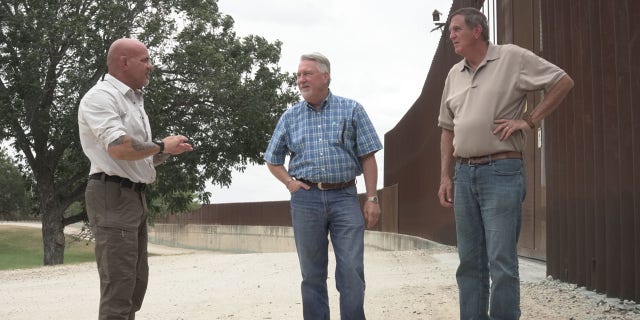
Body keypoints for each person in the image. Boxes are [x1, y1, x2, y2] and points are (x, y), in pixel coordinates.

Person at [437, 8, 574, 320]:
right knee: (469, 262)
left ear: (477, 30)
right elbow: (447, 128)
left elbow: (562, 81)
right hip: (463, 174)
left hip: (501, 172)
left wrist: (528, 120)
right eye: (449, 31)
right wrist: (446, 176)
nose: (452, 35)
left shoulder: (512, 57)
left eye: (457, 29)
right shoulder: (453, 74)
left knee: (501, 262)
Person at [78, 38, 193, 320]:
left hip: (133, 196)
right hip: (111, 195)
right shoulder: (101, 97)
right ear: (123, 62)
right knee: (119, 289)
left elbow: (136, 155)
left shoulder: (133, 101)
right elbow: (119, 147)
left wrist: (165, 153)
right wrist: (162, 145)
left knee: (135, 285)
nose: (151, 66)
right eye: (145, 60)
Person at [264, 52, 383, 320]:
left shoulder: (352, 109)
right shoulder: (290, 117)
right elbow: (272, 160)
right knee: (312, 273)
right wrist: (289, 183)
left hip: (344, 196)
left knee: (352, 270)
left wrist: (372, 198)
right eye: (298, 75)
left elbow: (368, 157)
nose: (301, 79)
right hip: (306, 200)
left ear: (325, 76)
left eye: (307, 74)